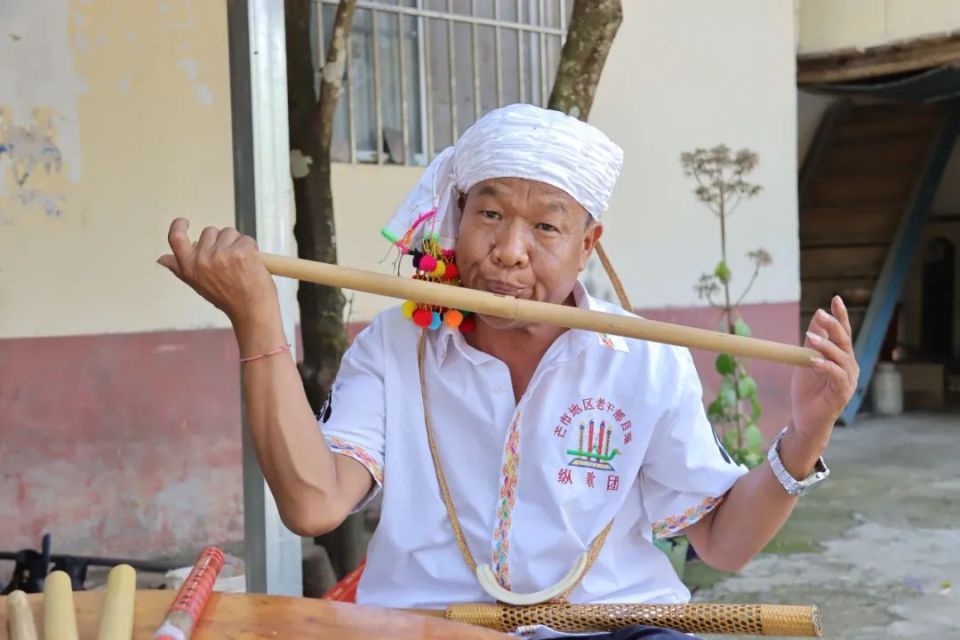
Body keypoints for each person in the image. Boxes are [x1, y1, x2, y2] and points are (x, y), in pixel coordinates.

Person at [158, 104, 858, 639]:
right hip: (429, 624)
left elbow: (723, 543)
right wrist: (256, 319)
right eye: (488, 213)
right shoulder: (396, 344)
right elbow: (312, 504)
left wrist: (808, 429)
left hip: (610, 624)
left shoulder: (645, 358)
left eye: (546, 228)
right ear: (455, 218)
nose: (509, 252)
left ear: (588, 245)